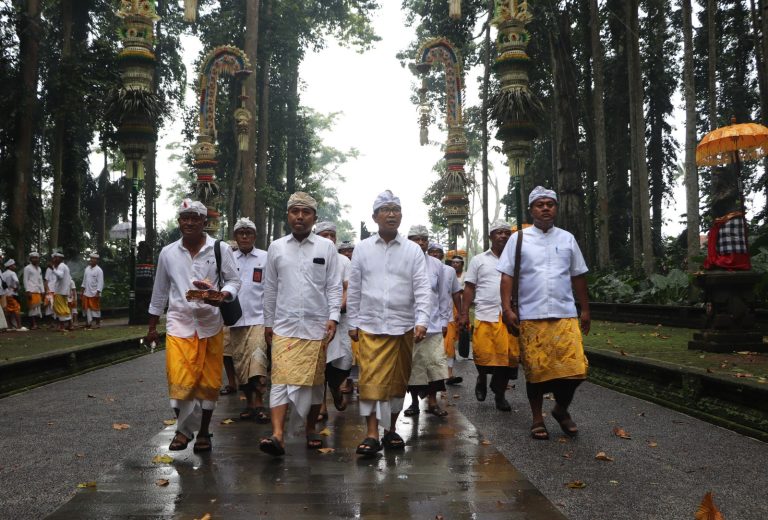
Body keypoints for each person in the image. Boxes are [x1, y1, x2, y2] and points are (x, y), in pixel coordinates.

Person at [146, 199, 241, 453]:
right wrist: (152, 326)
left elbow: (234, 281)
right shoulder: (168, 253)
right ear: (179, 221)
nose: (188, 222)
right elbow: (160, 291)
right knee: (179, 383)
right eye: (184, 217)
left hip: (211, 324)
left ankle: (202, 433)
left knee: (208, 385)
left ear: (204, 222)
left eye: (194, 218)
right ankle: (183, 430)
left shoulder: (220, 249)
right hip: (179, 324)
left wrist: (222, 295)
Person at [497, 187, 590, 440]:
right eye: (540, 204)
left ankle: (561, 409)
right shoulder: (518, 239)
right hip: (531, 313)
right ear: (531, 210)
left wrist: (586, 310)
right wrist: (506, 308)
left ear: (556, 208)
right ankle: (537, 419)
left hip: (564, 313)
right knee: (536, 372)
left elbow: (578, 275)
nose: (546, 208)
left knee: (577, 369)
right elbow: (507, 276)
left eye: (550, 204)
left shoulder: (567, 238)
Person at [347, 190, 431, 456]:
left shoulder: (413, 250)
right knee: (370, 382)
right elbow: (356, 288)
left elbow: (422, 287)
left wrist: (422, 320)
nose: (392, 214)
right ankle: (371, 434)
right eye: (386, 209)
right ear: (375, 217)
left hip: (403, 326)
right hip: (370, 326)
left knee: (397, 383)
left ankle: (390, 430)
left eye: (396, 209)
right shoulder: (361, 249)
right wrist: (352, 321)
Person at [259, 192, 342, 457]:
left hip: (317, 327)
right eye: (295, 211)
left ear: (314, 218)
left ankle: (310, 429)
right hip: (284, 326)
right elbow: (270, 288)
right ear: (288, 216)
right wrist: (268, 323)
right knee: (280, 380)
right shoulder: (276, 247)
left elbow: (333, 287)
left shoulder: (327, 248)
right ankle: (278, 435)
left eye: (305, 212)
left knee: (315, 382)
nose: (300, 216)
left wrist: (333, 318)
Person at [459, 220, 519, 412]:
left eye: (506, 233)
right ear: (491, 236)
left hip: (509, 317)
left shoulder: (517, 260)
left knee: (507, 358)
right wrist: (464, 313)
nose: (502, 236)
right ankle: (482, 378)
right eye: (498, 233)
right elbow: (469, 287)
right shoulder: (479, 260)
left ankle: (499, 394)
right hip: (485, 314)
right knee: (482, 355)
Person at [403, 228, 452, 418]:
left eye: (424, 239)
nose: (421, 243)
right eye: (416, 239)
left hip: (433, 325)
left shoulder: (436, 264)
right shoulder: (403, 262)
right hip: (409, 324)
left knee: (435, 365)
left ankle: (433, 402)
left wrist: (445, 319)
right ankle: (414, 403)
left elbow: (443, 295)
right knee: (414, 366)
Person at [228, 218, 270, 423]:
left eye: (249, 233)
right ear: (235, 237)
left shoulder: (265, 257)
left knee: (258, 360)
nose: (245, 236)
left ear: (254, 236)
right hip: (235, 320)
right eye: (241, 233)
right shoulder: (228, 258)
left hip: (259, 318)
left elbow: (272, 288)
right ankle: (249, 404)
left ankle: (260, 404)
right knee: (241, 364)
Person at [314, 221, 353, 422]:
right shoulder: (312, 258)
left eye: (332, 235)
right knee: (319, 363)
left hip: (342, 320)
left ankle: (335, 388)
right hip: (318, 321)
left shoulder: (343, 261)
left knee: (342, 364)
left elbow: (347, 288)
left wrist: (336, 311)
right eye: (325, 235)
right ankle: (321, 405)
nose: (329, 239)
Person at [427, 242, 463, 386]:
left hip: (447, 314)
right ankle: (431, 378)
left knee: (448, 346)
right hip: (428, 316)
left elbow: (455, 292)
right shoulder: (421, 268)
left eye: (438, 252)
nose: (435, 254)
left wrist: (460, 312)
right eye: (432, 251)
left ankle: (448, 374)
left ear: (442, 255)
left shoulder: (449, 271)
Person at [50, 252, 73, 331]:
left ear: (60, 259)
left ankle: (62, 327)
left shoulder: (61, 266)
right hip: (64, 290)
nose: (53, 260)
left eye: (55, 258)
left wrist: (52, 269)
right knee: (64, 307)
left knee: (60, 308)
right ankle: (70, 324)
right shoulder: (64, 266)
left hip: (60, 291)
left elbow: (60, 276)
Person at [81, 252, 104, 329]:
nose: (91, 260)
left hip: (94, 293)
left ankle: (98, 323)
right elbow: (84, 281)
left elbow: (101, 282)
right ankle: (88, 323)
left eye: (93, 259)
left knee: (95, 309)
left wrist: (98, 292)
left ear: (96, 260)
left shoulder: (99, 270)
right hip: (87, 292)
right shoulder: (87, 269)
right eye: (91, 258)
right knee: (87, 308)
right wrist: (82, 290)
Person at [23, 252, 45, 330]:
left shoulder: (39, 269)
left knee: (37, 308)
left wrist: (42, 290)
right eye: (33, 258)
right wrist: (27, 291)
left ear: (38, 259)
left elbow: (40, 281)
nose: (35, 259)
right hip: (31, 290)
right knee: (32, 308)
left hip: (38, 291)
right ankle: (33, 324)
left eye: (36, 258)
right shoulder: (27, 268)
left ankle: (34, 324)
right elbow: (25, 280)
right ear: (30, 259)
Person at [2, 259, 22, 330]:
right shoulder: (12, 273)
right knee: (16, 309)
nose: (15, 266)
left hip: (5, 294)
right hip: (12, 294)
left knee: (8, 310)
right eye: (13, 265)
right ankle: (19, 326)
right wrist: (17, 288)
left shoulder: (3, 274)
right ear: (10, 266)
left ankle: (9, 326)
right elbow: (16, 281)